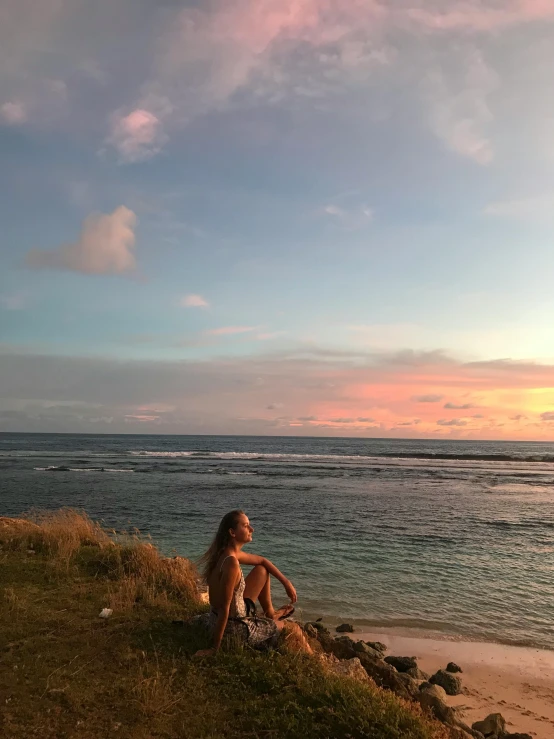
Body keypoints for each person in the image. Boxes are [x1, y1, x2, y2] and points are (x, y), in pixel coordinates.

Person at [194, 509, 312, 656]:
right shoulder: (231, 563)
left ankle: (270, 613)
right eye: (246, 526)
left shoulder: (225, 553)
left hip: (216, 617)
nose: (252, 529)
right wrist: (214, 649)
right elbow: (225, 609)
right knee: (293, 629)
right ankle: (315, 663)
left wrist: (286, 582)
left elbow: (262, 561)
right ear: (232, 532)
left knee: (261, 570)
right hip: (234, 628)